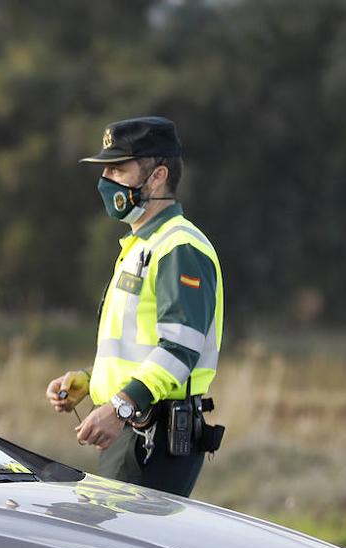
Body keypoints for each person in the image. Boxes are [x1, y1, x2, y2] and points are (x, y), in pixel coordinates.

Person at [47, 116, 224, 497]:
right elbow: (139, 344)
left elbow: (180, 349)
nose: (106, 180)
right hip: (135, 432)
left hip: (150, 436)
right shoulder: (140, 247)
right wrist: (92, 381)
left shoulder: (179, 247)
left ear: (158, 176)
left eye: (118, 169)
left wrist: (120, 407)